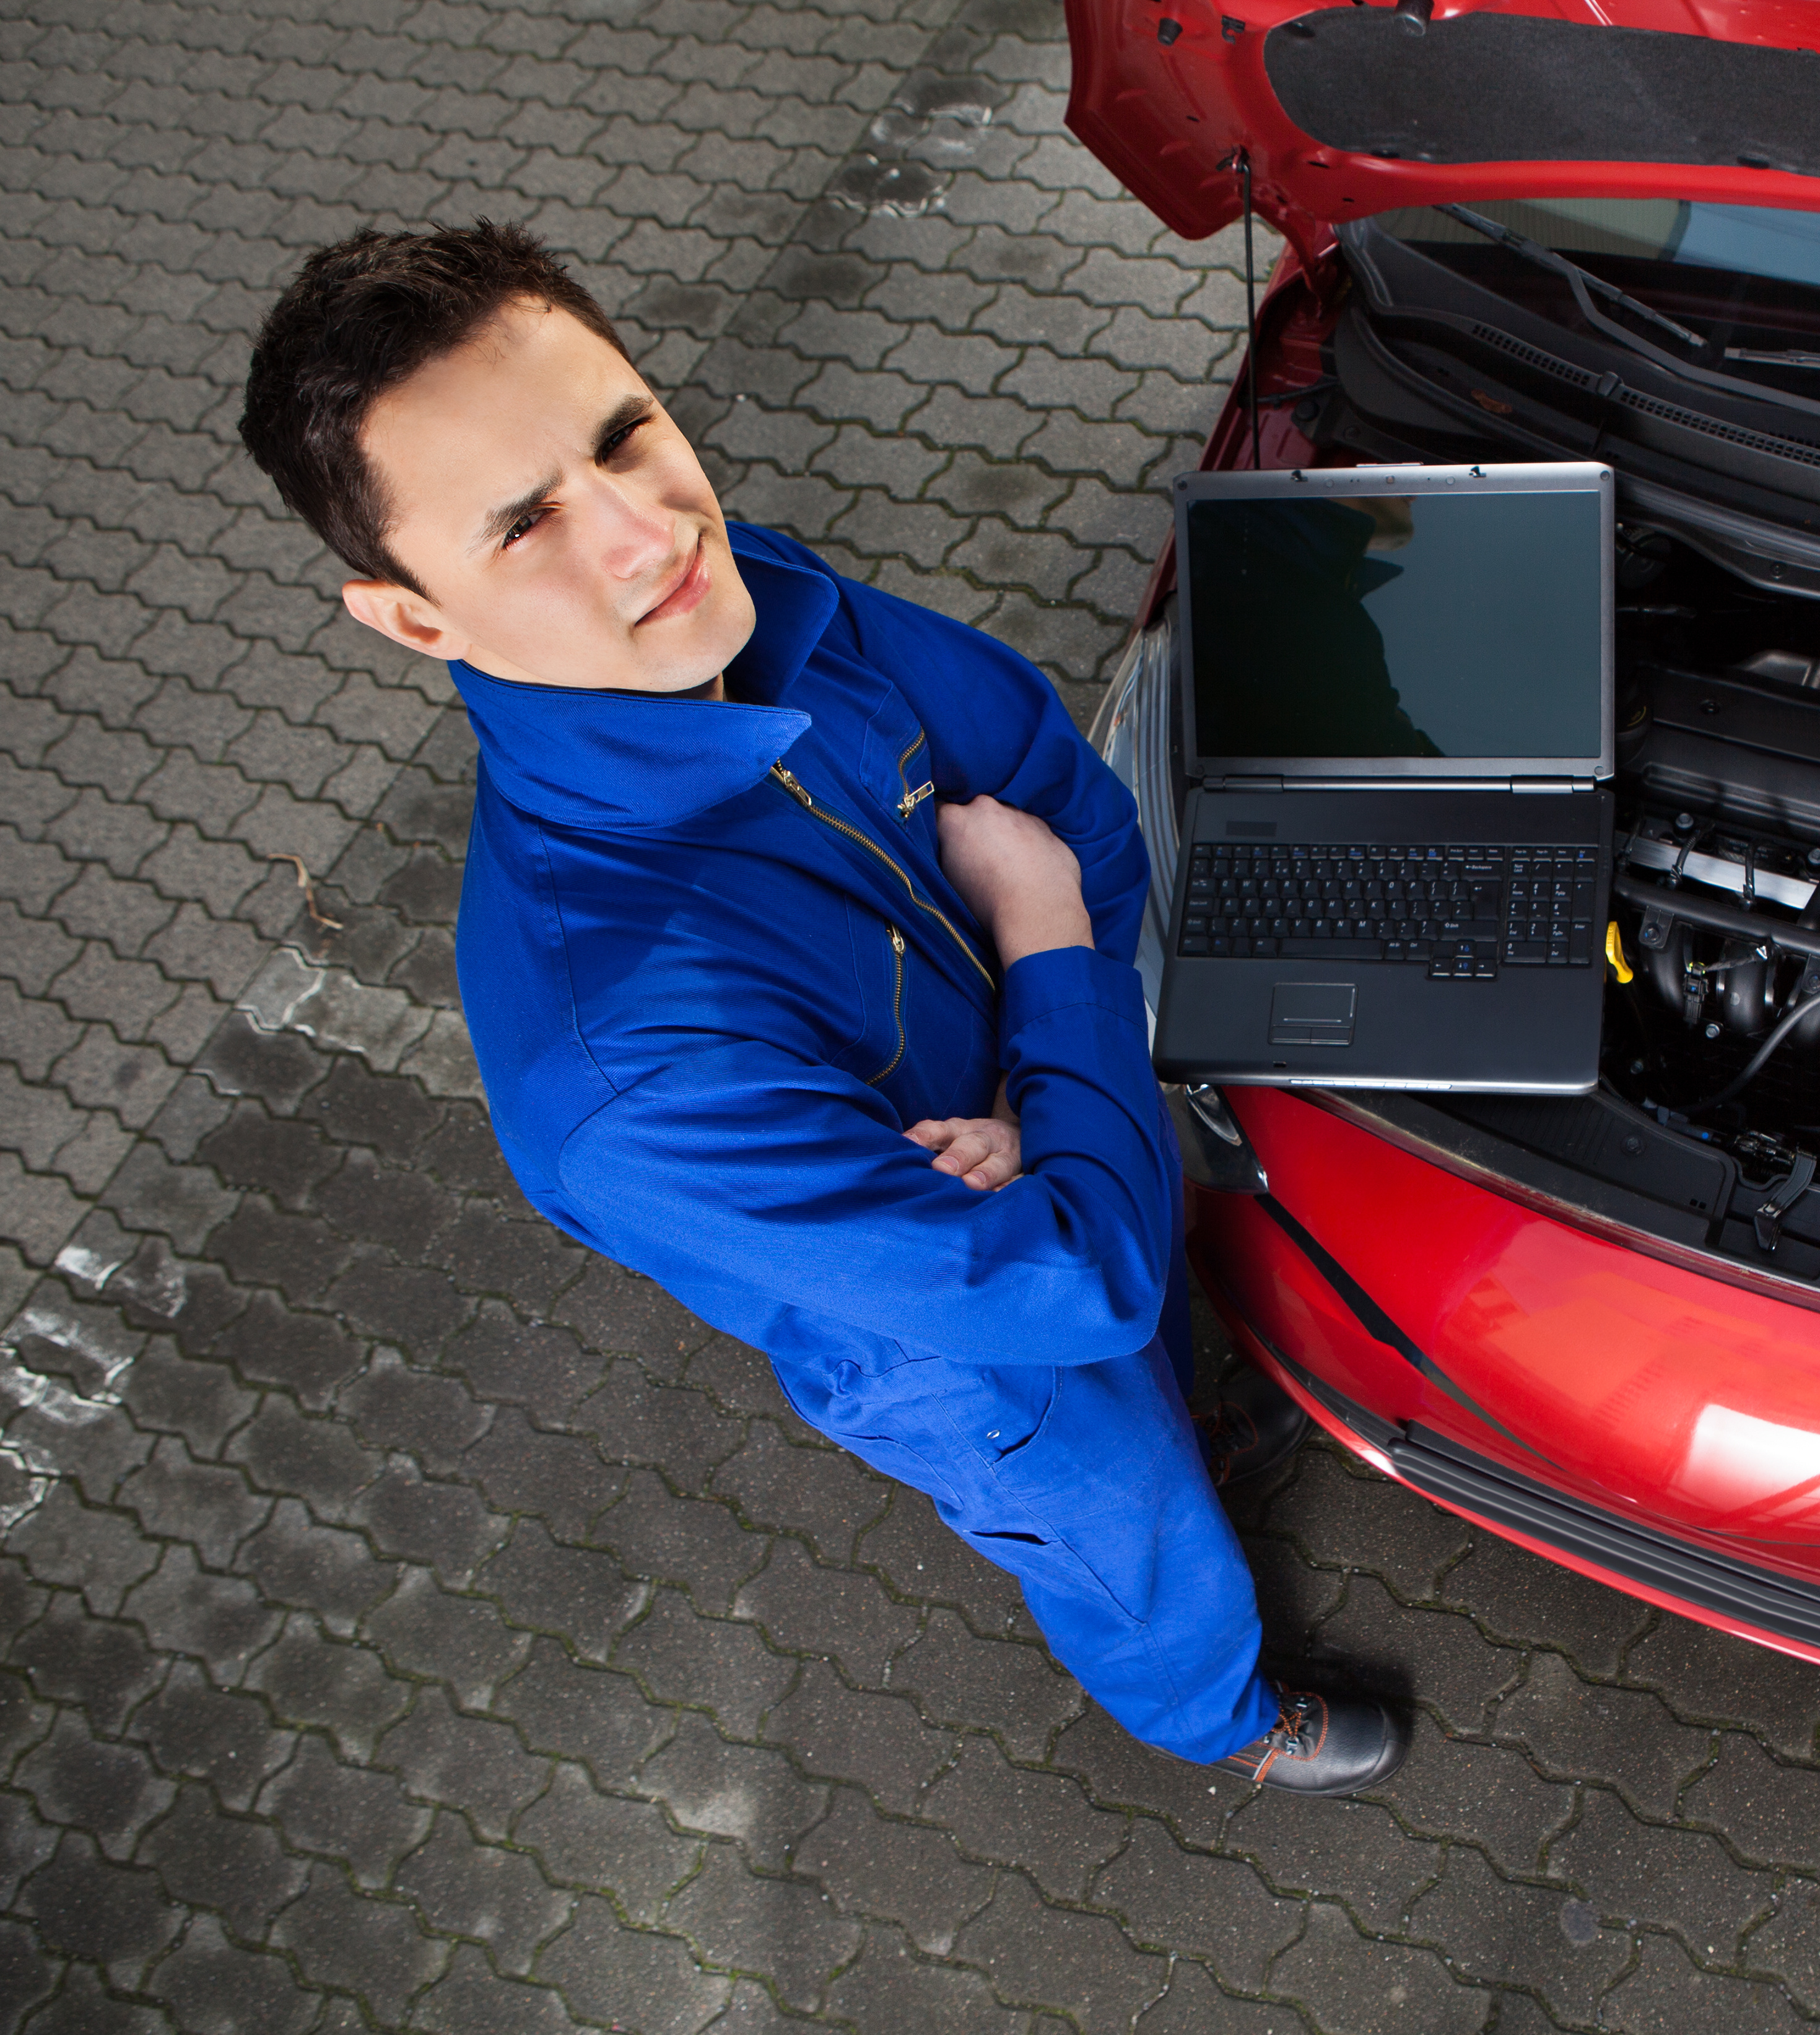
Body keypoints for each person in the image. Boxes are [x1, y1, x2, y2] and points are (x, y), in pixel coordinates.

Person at [235, 223, 1409, 1795]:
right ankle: (1220, 1717)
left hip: (1055, 1165)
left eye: (625, 435)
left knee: (1172, 1308)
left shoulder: (756, 590)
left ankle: (1216, 1411)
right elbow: (1075, 1281)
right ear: (415, 618)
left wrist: (1046, 1097)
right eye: (525, 526)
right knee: (1127, 1529)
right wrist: (1049, 957)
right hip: (987, 1356)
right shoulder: (624, 1066)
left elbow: (1073, 799)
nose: (648, 536)